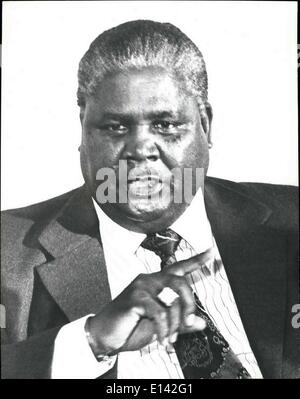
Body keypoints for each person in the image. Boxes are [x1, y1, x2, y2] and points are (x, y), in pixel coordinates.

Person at [1, 20, 299, 379]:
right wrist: (90, 340)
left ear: (205, 125)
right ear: (83, 129)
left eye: (166, 124)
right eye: (115, 126)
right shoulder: (8, 251)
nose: (141, 149)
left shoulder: (290, 221)